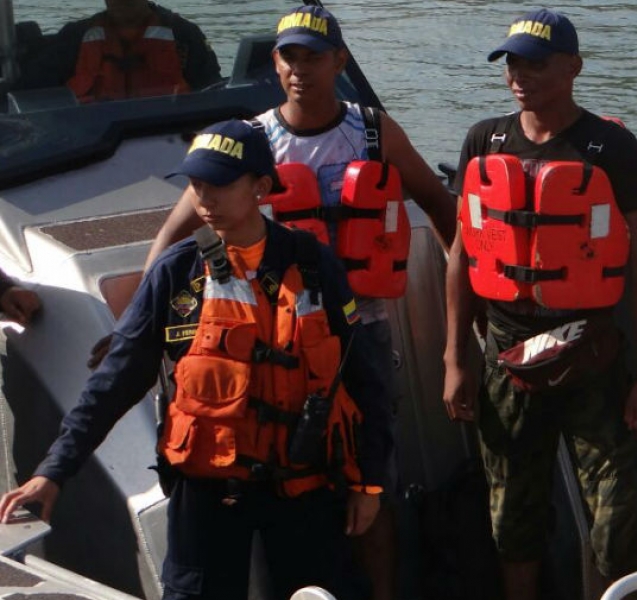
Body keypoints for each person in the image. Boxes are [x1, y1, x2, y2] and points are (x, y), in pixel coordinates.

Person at [137, 7, 458, 598]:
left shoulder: (373, 130)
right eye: (289, 56)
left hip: (361, 333)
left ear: (340, 60)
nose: (300, 68)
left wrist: (464, 315)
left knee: (371, 480)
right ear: (275, 63)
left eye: (314, 55)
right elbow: (178, 233)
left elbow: (440, 206)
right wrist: (144, 321)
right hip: (276, 341)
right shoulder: (253, 139)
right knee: (292, 477)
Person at [0, 119, 391, 600]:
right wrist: (52, 472)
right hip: (209, 491)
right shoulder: (176, 271)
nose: (203, 197)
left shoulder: (314, 266)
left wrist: (369, 483)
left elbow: (365, 380)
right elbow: (115, 382)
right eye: (196, 183)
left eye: (219, 184)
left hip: (303, 486)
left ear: (261, 187)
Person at [442, 8, 637, 599]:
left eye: (536, 63)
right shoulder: (482, 140)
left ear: (573, 67)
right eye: (512, 62)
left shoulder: (611, 147)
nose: (521, 74)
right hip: (504, 356)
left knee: (615, 518)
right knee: (512, 515)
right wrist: (454, 359)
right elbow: (462, 256)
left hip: (590, 354)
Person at [16, 0, 220, 102]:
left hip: (168, 131)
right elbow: (30, 94)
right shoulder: (74, 38)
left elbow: (213, 90)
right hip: (90, 143)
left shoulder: (184, 35)